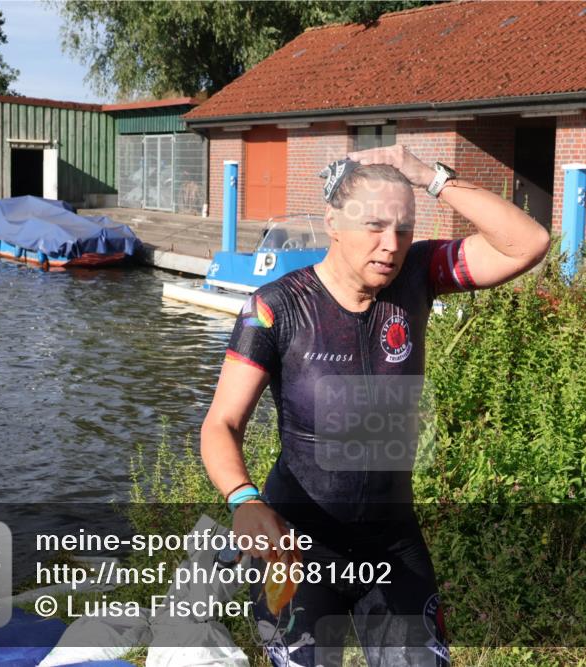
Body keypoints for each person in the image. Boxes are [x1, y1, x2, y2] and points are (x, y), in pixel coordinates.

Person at [200, 145, 550, 667]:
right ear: (334, 224)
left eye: (404, 229)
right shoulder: (275, 308)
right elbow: (221, 424)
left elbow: (529, 242)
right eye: (375, 226)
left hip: (391, 542)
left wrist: (428, 176)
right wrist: (244, 500)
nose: (391, 245)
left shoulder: (417, 277)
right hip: (297, 546)